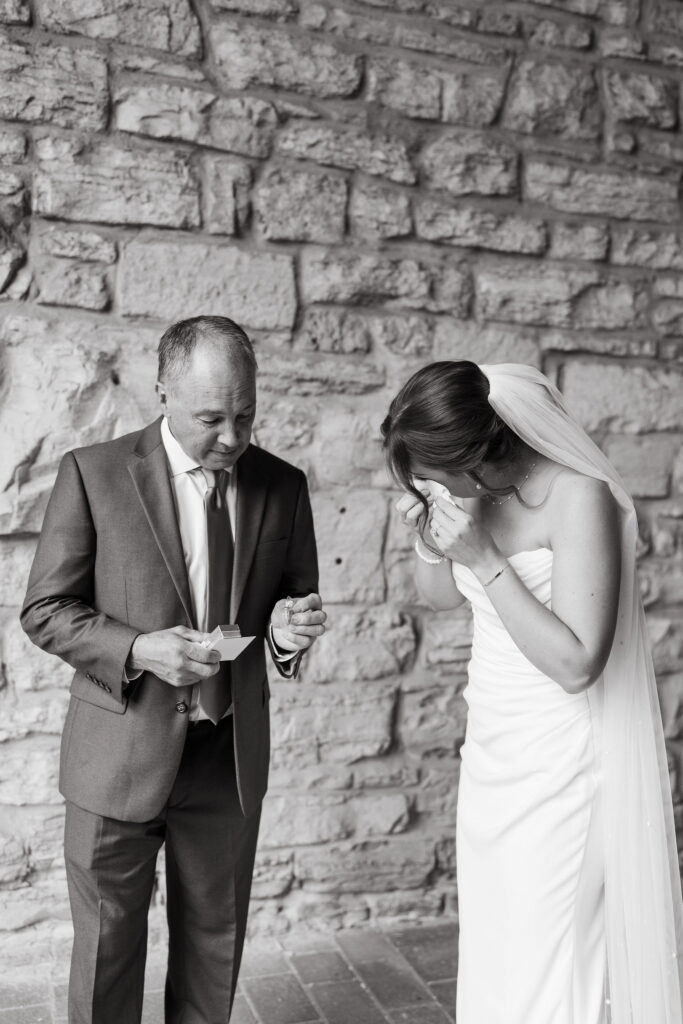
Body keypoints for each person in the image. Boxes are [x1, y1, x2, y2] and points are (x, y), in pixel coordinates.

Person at [21, 316, 326, 1024]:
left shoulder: (284, 486)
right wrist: (136, 649)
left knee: (215, 949)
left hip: (227, 759)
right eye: (211, 418)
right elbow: (45, 609)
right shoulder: (92, 474)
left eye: (246, 416)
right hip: (117, 757)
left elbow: (292, 606)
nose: (232, 438)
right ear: (163, 390)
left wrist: (288, 632)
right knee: (106, 953)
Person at [381, 360, 683, 1024]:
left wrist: (485, 559)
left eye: (434, 474)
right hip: (493, 753)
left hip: (565, 762)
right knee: (500, 947)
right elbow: (436, 597)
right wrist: (429, 539)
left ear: (476, 453)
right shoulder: (469, 494)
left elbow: (577, 662)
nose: (430, 487)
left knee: (552, 953)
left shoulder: (579, 498)